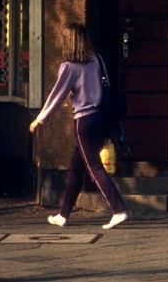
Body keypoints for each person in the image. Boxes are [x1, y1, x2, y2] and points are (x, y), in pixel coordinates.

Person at [29, 23, 128, 230]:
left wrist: (40, 119)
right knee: (76, 168)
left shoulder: (69, 66)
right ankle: (63, 214)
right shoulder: (96, 60)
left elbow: (57, 95)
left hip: (84, 121)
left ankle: (118, 209)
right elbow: (104, 87)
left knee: (94, 167)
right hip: (100, 118)